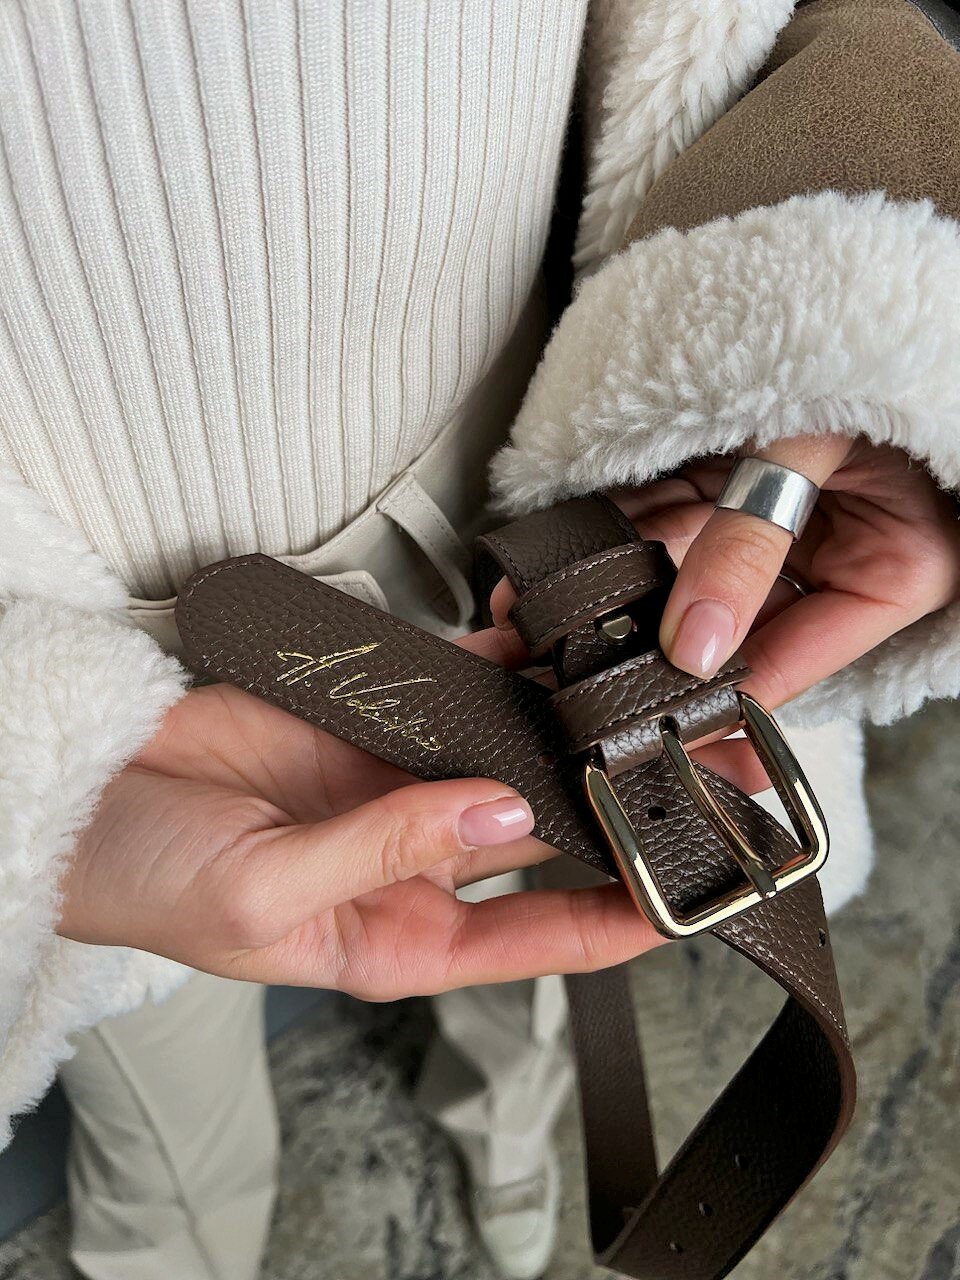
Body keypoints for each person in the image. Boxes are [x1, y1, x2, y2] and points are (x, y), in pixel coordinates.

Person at [2, 2, 960, 1278]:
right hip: (81, 656)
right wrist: (27, 792)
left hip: (555, 516)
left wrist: (867, 319)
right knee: (154, 1062)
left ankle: (506, 1118)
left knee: (550, 919)